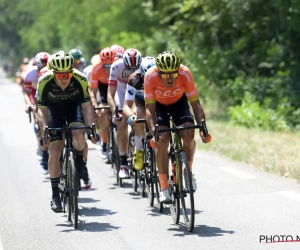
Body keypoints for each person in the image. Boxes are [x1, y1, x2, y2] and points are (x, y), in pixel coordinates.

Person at [144, 51, 212, 203]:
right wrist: (154, 131)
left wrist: (203, 128)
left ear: (178, 71)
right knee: (162, 139)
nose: (170, 79)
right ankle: (163, 187)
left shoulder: (185, 73)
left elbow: (196, 104)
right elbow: (149, 109)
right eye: (166, 75)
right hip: (159, 106)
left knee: (188, 134)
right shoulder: (150, 76)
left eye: (173, 75)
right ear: (159, 72)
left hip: (179, 104)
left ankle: (188, 172)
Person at [36, 51, 99, 212]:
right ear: (53, 73)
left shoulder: (81, 79)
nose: (64, 78)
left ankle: (79, 160)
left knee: (79, 134)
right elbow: (41, 112)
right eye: (60, 75)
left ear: (73, 71)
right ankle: (55, 194)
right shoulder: (44, 81)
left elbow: (87, 106)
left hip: (74, 107)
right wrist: (44, 132)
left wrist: (91, 128)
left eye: (68, 74)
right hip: (53, 110)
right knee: (55, 150)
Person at [107, 48, 142, 178]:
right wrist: (114, 112)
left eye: (135, 68)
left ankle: (140, 147)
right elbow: (110, 93)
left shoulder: (144, 66)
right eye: (129, 68)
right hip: (121, 94)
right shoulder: (116, 66)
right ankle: (123, 163)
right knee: (121, 124)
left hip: (137, 94)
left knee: (141, 119)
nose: (132, 71)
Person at [123, 56, 156, 171]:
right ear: (141, 73)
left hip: (156, 101)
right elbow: (126, 105)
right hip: (140, 101)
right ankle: (138, 150)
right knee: (138, 116)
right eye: (145, 77)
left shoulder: (162, 77)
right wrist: (131, 116)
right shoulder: (134, 79)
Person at [23, 52, 50, 170]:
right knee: (37, 116)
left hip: (48, 95)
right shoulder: (30, 73)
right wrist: (29, 104)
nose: (43, 69)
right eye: (41, 67)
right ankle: (40, 141)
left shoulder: (51, 72)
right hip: (35, 96)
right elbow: (27, 93)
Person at [90, 47, 117, 159]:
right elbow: (93, 91)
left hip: (115, 86)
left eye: (111, 66)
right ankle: (105, 142)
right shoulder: (96, 69)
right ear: (101, 63)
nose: (109, 69)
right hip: (102, 88)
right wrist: (94, 104)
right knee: (103, 111)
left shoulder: (118, 66)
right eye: (106, 66)